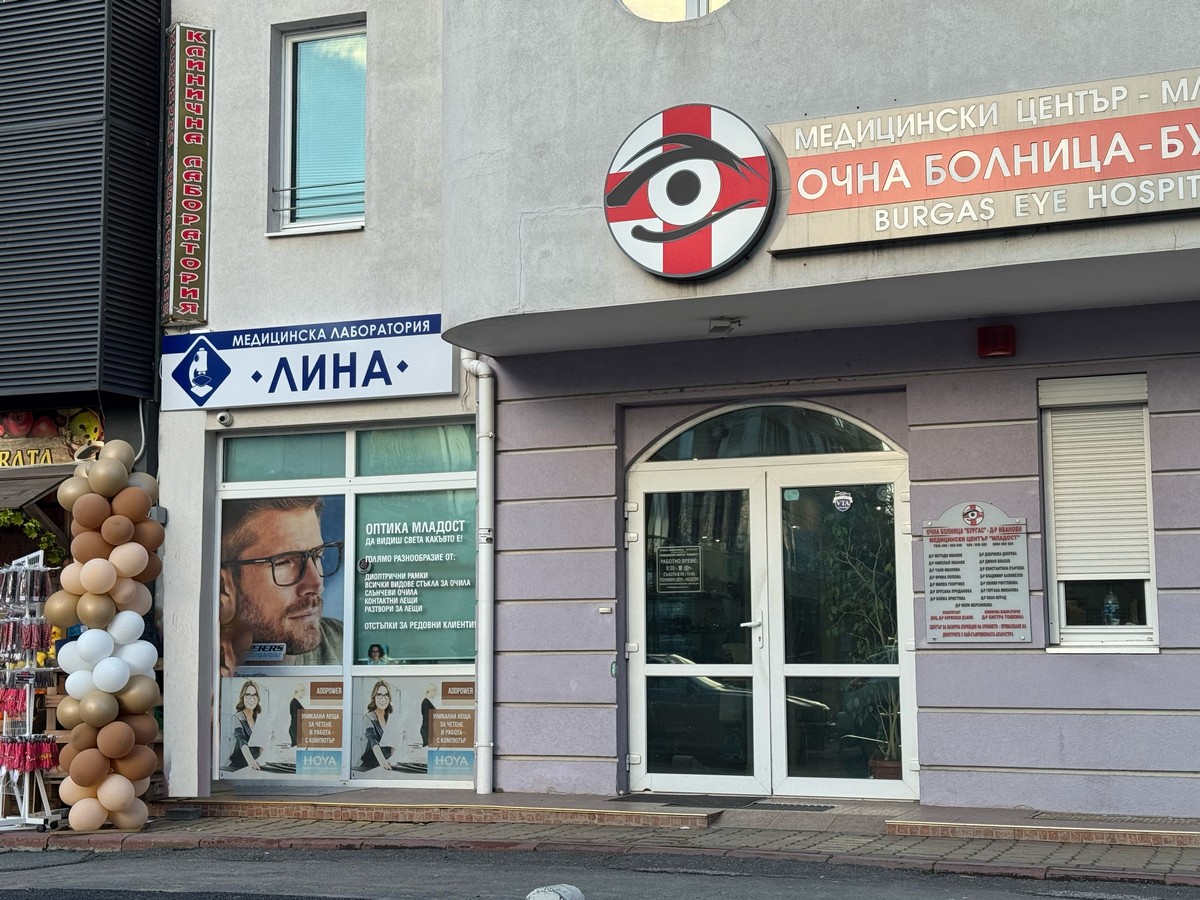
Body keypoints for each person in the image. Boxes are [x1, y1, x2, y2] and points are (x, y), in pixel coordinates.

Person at [219, 496, 343, 675]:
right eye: (283, 562)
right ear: (224, 584)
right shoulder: (200, 658)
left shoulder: (348, 646)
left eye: (318, 556)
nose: (316, 585)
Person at [360, 679, 399, 770]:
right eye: (379, 695)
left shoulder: (390, 718)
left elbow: (391, 748)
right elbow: (373, 740)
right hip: (370, 767)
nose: (383, 699)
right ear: (374, 697)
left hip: (386, 766)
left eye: (386, 695)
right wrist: (382, 761)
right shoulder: (369, 717)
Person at [227, 680, 263, 770]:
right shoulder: (237, 717)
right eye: (247, 695)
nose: (251, 699)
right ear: (242, 697)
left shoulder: (258, 718)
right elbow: (241, 740)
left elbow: (259, 747)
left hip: (253, 767)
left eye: (255, 695)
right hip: (238, 768)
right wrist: (250, 760)